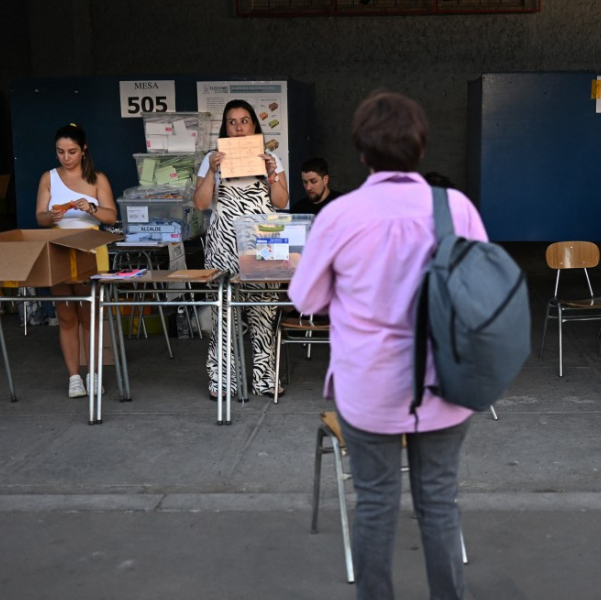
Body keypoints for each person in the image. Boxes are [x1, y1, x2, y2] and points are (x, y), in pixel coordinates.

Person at [289, 91, 484, 600]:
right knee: (439, 503)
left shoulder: (340, 216)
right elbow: (482, 290)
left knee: (375, 504)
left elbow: (306, 298)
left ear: (361, 152)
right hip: (446, 383)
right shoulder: (456, 208)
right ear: (420, 149)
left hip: (369, 388)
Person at [194, 100, 289, 399]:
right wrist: (212, 172)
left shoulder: (270, 157)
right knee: (223, 315)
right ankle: (222, 380)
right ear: (225, 126)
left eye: (244, 120)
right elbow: (200, 203)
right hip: (223, 244)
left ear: (254, 125)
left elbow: (282, 202)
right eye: (232, 121)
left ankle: (265, 379)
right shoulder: (212, 158)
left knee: (265, 312)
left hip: (263, 242)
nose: (238, 127)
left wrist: (272, 174)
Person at [34, 123, 117, 398]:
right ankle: (73, 377)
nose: (66, 158)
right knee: (66, 315)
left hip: (90, 247)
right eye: (60, 152)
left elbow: (111, 217)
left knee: (90, 315)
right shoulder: (48, 177)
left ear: (83, 150)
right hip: (58, 247)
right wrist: (52, 216)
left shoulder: (97, 178)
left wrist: (91, 208)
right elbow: (40, 217)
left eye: (71, 152)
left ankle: (94, 374)